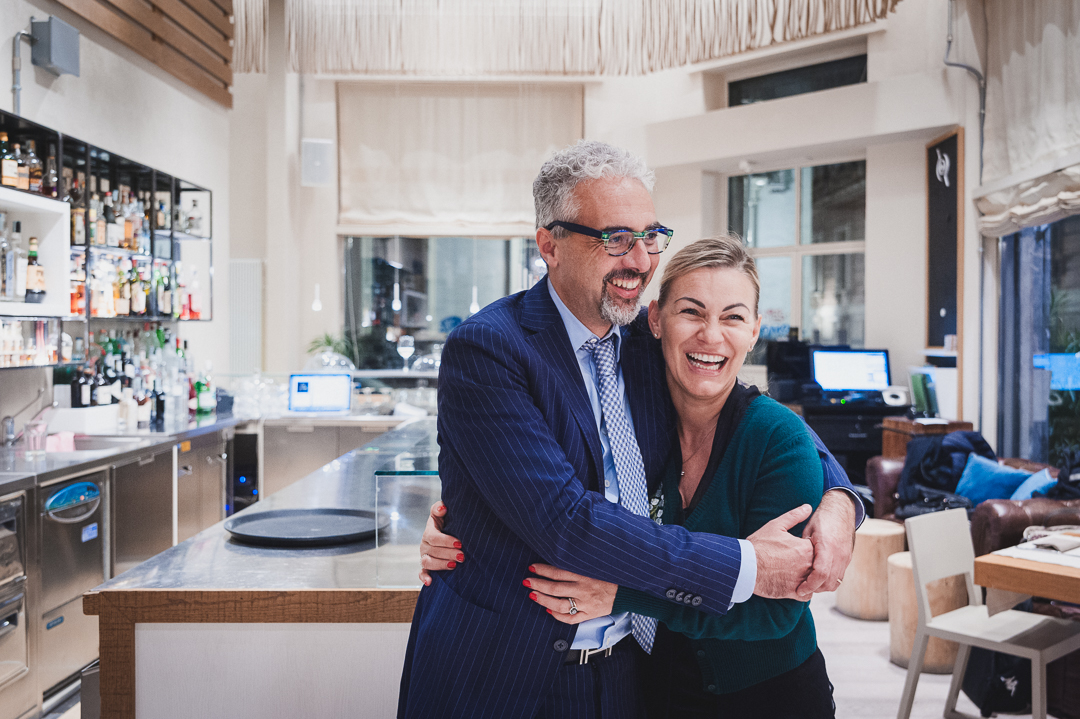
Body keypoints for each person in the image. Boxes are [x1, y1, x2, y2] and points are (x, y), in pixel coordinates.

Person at [398, 140, 862, 719]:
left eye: (650, 236)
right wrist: (745, 564)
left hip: (626, 675)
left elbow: (750, 414)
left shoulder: (646, 341)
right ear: (551, 245)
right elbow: (563, 521)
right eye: (615, 238)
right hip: (502, 672)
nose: (640, 260)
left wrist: (842, 496)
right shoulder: (489, 349)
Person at [524, 236, 836, 718]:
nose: (711, 336)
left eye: (733, 317)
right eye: (692, 312)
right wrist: (456, 522)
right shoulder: (632, 417)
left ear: (754, 331)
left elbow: (775, 610)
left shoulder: (778, 439)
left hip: (770, 696)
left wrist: (619, 593)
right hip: (656, 688)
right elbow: (553, 492)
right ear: (655, 320)